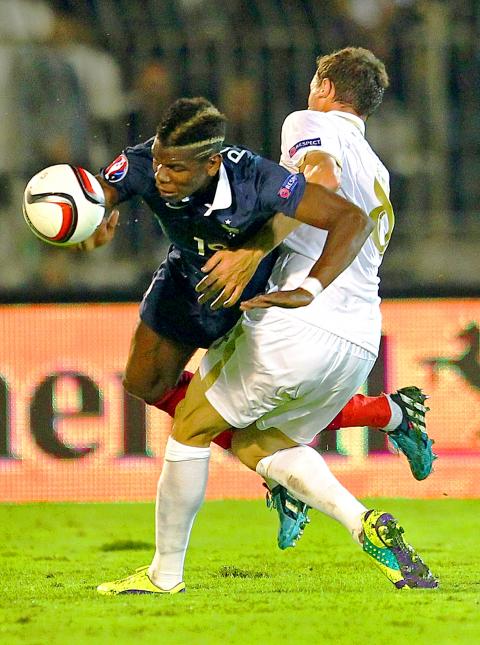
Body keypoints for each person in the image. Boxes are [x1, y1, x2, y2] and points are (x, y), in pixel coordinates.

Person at [97, 48, 438, 596]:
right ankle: (368, 520)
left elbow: (321, 178)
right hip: (358, 342)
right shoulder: (376, 167)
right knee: (260, 446)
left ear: (325, 86)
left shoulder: (308, 122)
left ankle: (164, 576)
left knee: (192, 427)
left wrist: (258, 252)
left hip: (299, 323)